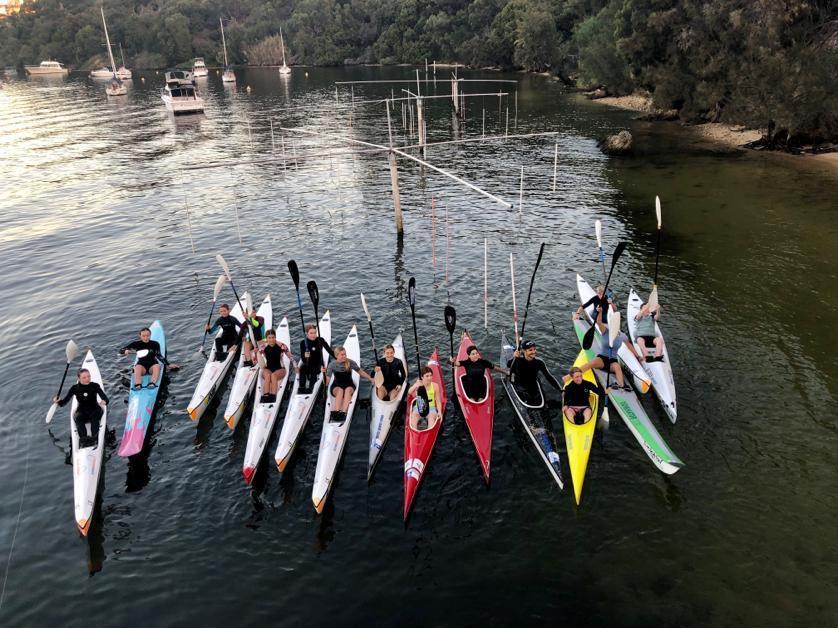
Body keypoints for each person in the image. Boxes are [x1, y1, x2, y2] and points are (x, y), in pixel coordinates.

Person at [574, 317, 637, 390]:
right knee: (592, 363)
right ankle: (572, 376)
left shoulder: (622, 336)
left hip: (613, 360)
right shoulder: (606, 331)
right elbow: (598, 322)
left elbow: (629, 345)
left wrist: (638, 356)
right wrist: (600, 312)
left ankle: (622, 386)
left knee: (617, 367)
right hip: (602, 358)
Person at [54, 368, 108, 448]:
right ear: (79, 378)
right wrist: (57, 401)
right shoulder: (74, 388)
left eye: (88, 376)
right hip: (82, 411)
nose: (87, 379)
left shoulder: (95, 386)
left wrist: (105, 401)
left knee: (94, 417)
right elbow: (63, 403)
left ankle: (95, 439)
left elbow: (106, 398)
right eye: (84, 377)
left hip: (95, 409)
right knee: (78, 418)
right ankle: (83, 440)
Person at [325, 345, 374, 422]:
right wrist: (323, 374)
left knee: (347, 390)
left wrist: (370, 379)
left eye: (345, 354)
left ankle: (344, 413)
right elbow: (327, 381)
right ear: (336, 355)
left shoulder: (350, 362)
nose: (344, 356)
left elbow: (360, 372)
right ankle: (336, 412)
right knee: (340, 390)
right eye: (342, 355)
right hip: (336, 386)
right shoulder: (332, 365)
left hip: (349, 385)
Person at [506, 339, 563, 405]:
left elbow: (549, 377)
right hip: (519, 386)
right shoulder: (518, 360)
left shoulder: (539, 362)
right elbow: (508, 365)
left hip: (533, 387)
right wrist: (514, 357)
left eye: (534, 349)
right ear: (524, 351)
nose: (534, 352)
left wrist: (561, 391)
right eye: (530, 350)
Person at [260, 329, 296, 403]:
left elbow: (290, 357)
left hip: (280, 369)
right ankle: (265, 396)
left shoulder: (282, 346)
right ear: (266, 338)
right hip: (268, 368)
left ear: (275, 337)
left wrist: (295, 366)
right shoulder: (263, 347)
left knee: (273, 376)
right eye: (269, 338)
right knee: (267, 376)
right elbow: (255, 356)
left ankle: (273, 396)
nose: (271, 340)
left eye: (273, 337)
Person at [298, 323, 333, 394]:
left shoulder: (320, 340)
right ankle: (301, 387)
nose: (314, 335)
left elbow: (330, 351)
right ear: (306, 333)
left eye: (315, 332)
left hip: (318, 363)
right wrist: (305, 356)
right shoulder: (303, 343)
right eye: (311, 333)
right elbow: (303, 359)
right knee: (302, 368)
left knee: (313, 370)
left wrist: (338, 358)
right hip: (308, 363)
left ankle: (311, 388)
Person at [408, 366, 443, 430]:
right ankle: (414, 436)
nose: (430, 378)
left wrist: (440, 412)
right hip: (419, 407)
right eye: (427, 376)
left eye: (431, 375)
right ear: (422, 377)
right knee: (413, 420)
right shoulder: (418, 384)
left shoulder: (435, 386)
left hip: (431, 408)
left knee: (431, 419)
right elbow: (409, 392)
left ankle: (427, 435)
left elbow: (438, 401)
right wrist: (415, 385)